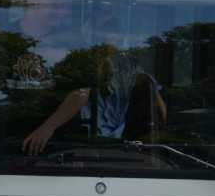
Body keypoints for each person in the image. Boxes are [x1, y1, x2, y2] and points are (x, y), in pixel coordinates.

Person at [21, 9, 164, 154]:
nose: (107, 45)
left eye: (111, 39)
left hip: (117, 148)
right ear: (86, 39)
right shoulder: (68, 63)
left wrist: (158, 133)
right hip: (71, 146)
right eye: (100, 40)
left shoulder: (126, 68)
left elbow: (154, 98)